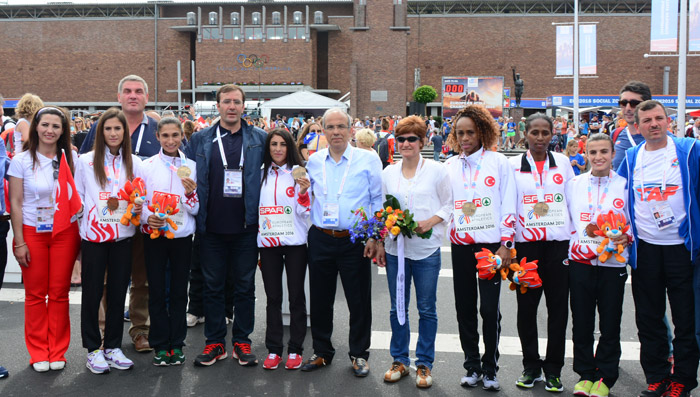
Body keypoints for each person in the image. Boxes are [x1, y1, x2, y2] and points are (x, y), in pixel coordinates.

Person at [617, 100, 700, 397]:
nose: (653, 124)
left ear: (669, 122)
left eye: (658, 119)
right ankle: (657, 376)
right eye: (647, 120)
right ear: (637, 127)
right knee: (649, 318)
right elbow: (618, 198)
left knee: (685, 319)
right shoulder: (630, 157)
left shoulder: (689, 150)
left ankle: (683, 381)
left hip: (682, 249)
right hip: (646, 250)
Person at [185, 84, 266, 367]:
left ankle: (242, 340)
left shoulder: (260, 138)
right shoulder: (200, 139)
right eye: (226, 102)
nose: (232, 107)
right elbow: (186, 176)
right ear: (217, 106)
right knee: (212, 287)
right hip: (211, 228)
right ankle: (215, 342)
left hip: (246, 227)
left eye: (237, 102)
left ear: (245, 106)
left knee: (245, 287)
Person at [300, 107, 382, 377]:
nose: (336, 132)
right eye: (330, 127)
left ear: (351, 130)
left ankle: (359, 354)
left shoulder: (367, 160)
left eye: (341, 127)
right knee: (321, 299)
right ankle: (322, 351)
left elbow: (377, 200)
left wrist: (374, 235)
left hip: (355, 240)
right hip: (321, 237)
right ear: (323, 131)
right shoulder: (314, 161)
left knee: (358, 300)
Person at [80, 75, 160, 352]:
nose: (133, 95)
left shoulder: (157, 129)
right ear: (119, 96)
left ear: (146, 97)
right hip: (107, 222)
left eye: (138, 91)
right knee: (105, 280)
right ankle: (104, 331)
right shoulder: (101, 127)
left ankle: (140, 330)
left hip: (144, 218)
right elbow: (86, 171)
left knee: (142, 279)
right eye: (127, 91)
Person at [440, 106, 516, 391]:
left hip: (491, 248)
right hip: (461, 247)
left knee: (489, 309)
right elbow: (444, 206)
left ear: (482, 131)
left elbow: (509, 202)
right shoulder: (449, 166)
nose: (465, 138)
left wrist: (506, 244)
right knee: (464, 308)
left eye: (470, 132)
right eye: (460, 133)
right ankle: (472, 365)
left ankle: (491, 368)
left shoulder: (498, 162)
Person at [375, 116, 451, 388]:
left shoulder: (437, 171)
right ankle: (399, 360)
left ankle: (425, 364)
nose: (406, 143)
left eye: (412, 139)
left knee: (426, 308)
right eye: (402, 139)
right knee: (398, 307)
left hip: (426, 250)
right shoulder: (388, 173)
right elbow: (382, 211)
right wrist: (382, 241)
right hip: (397, 251)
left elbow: (449, 204)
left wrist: (429, 222)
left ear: (422, 142)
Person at [8, 106, 80, 372]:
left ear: (63, 131)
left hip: (65, 233)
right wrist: (19, 241)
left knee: (60, 294)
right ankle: (38, 351)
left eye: (56, 126)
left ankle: (57, 350)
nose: (50, 130)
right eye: (45, 125)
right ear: (35, 126)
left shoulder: (70, 157)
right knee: (36, 294)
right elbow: (15, 202)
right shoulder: (22, 160)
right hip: (31, 232)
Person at [509, 113, 575, 392]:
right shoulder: (512, 165)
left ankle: (554, 369)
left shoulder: (563, 162)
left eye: (544, 133)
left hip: (558, 245)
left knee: (558, 309)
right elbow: (508, 206)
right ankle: (531, 365)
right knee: (526, 309)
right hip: (526, 246)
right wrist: (510, 247)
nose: (539, 138)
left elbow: (573, 202)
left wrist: (575, 243)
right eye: (534, 132)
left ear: (552, 135)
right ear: (525, 134)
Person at [75, 108, 143, 374]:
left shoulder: (134, 163)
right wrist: (90, 214)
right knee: (92, 293)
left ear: (125, 132)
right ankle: (93, 349)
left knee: (117, 293)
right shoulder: (85, 161)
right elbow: (78, 197)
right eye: (108, 128)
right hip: (94, 236)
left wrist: (138, 207)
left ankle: (113, 346)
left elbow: (140, 196)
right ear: (100, 132)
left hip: (123, 236)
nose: (113, 133)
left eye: (118, 129)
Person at [565, 133, 631, 397]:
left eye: (604, 151)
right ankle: (584, 374)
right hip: (580, 263)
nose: (599, 157)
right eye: (593, 152)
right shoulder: (574, 184)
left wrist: (628, 237)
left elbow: (632, 222)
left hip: (612, 263)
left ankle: (605, 376)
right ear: (586, 154)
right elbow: (568, 220)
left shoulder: (625, 184)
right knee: (581, 321)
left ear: (613, 154)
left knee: (610, 322)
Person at [139, 117, 199, 366]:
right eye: (165, 136)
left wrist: (189, 194)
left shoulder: (193, 167)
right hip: (155, 237)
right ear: (158, 137)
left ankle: (177, 343)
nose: (171, 140)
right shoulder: (146, 166)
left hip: (182, 237)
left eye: (175, 135)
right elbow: (139, 201)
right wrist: (147, 217)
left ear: (182, 136)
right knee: (157, 291)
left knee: (177, 292)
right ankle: (160, 344)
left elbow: (196, 209)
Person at [257, 129, 311, 370]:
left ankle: (296, 349)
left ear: (290, 147)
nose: (278, 149)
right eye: (273, 144)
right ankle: (274, 349)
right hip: (268, 246)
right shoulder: (260, 174)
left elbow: (306, 213)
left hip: (295, 245)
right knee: (273, 298)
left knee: (297, 297)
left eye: (282, 144)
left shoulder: (300, 174)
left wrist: (302, 192)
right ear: (267, 148)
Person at [612, 81, 651, 170]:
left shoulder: (664, 138)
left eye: (634, 103)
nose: (628, 108)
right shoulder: (616, 134)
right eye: (623, 103)